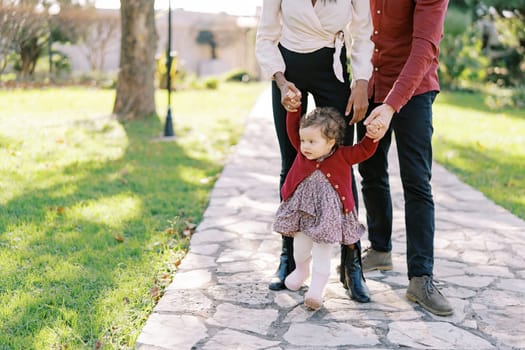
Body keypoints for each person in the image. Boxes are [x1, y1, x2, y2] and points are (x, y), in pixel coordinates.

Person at [255, 0, 375, 299]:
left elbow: (362, 33)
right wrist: (281, 83)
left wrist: (361, 82)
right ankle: (288, 259)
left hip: (331, 68)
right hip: (287, 71)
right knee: (292, 162)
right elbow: (266, 37)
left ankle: (352, 264)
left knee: (340, 166)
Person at [351, 0, 454, 316]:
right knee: (370, 171)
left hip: (415, 89)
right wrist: (360, 83)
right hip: (372, 85)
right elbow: (358, 33)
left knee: (416, 182)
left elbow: (424, 49)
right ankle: (380, 249)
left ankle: (421, 277)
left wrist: (392, 104)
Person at [273, 106, 379, 309]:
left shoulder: (343, 156)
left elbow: (364, 150)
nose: (304, 146)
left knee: (322, 252)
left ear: (331, 142)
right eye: (303, 140)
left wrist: (371, 137)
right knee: (300, 250)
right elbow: (291, 130)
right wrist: (294, 111)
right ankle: (302, 270)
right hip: (303, 213)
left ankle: (316, 290)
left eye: (312, 141)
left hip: (327, 217)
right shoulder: (302, 152)